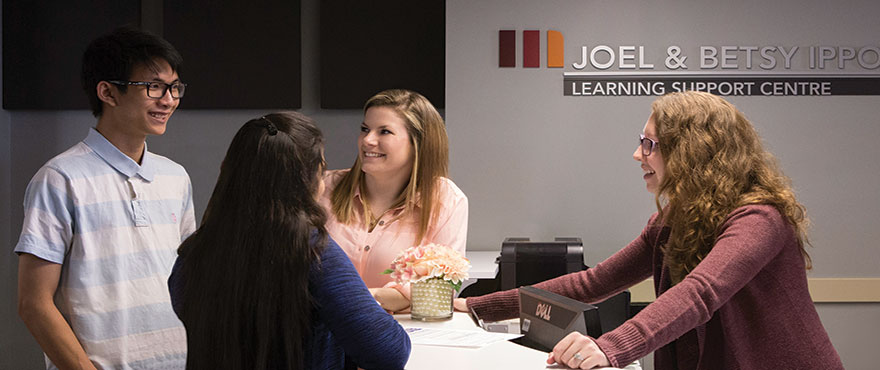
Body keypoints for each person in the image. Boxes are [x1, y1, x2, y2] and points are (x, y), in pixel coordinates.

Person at [455, 91, 843, 369]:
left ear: (692, 150)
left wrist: (611, 347)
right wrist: (477, 306)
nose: (638, 154)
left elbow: (699, 293)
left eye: (649, 143)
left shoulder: (759, 219)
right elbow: (591, 283)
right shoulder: (672, 220)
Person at [168, 113, 411, 369]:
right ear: (307, 180)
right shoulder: (313, 251)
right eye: (321, 170)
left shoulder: (195, 250)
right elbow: (388, 351)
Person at [15, 26, 192, 369]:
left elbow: (187, 284)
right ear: (108, 92)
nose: (168, 100)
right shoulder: (59, 179)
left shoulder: (176, 177)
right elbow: (33, 303)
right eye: (153, 86)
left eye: (174, 88)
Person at [321, 89, 468, 312]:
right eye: (365, 129)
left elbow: (440, 290)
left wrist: (363, 298)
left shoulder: (446, 200)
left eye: (385, 132)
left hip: (403, 334)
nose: (368, 140)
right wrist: (395, 297)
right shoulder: (324, 188)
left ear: (418, 143)